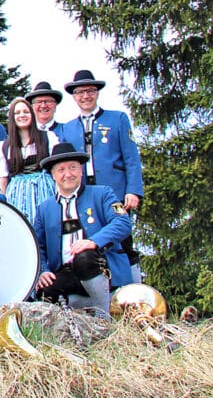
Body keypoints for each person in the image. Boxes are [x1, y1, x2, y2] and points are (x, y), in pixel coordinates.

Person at [57, 69, 144, 280]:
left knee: (123, 241)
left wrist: (133, 191)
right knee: (92, 240)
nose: (85, 96)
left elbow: (131, 158)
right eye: (80, 92)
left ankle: (134, 291)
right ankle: (102, 293)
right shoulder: (67, 128)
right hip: (85, 195)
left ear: (96, 93)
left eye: (90, 91)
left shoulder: (117, 119)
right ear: (74, 96)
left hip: (115, 192)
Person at [33, 142, 134, 314]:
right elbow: (37, 246)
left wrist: (94, 242)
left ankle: (103, 319)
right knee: (45, 291)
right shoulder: (44, 208)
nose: (68, 174)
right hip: (67, 271)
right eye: (61, 170)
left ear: (81, 170)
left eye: (73, 167)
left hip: (98, 265)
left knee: (84, 257)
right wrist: (43, 271)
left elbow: (123, 223)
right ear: (53, 175)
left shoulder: (103, 194)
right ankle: (102, 304)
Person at [0, 97, 58, 222]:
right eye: (17, 113)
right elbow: (2, 179)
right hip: (17, 194)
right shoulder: (4, 146)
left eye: (26, 112)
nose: (22, 115)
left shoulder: (47, 137)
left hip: (44, 190)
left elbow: (57, 169)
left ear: (32, 114)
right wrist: (1, 205)